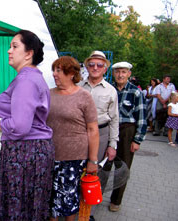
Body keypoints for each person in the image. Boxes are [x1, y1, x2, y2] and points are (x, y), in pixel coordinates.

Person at [0, 30, 55, 220]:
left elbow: (19, 126)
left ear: (28, 53)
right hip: (33, 152)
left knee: (19, 207)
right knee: (30, 207)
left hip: (24, 154)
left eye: (14, 46)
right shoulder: (33, 77)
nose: (9, 51)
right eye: (10, 46)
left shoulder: (26, 80)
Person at [47, 56, 99, 221]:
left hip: (73, 158)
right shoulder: (47, 94)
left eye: (59, 70)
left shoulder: (84, 96)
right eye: (54, 70)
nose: (55, 74)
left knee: (69, 200)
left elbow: (92, 129)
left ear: (71, 74)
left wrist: (93, 160)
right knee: (50, 199)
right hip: (48, 156)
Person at [78, 50, 119, 221]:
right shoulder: (78, 86)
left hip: (101, 133)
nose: (95, 67)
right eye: (92, 64)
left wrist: (112, 144)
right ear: (87, 66)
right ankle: (75, 208)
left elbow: (115, 119)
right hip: (79, 133)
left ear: (105, 69)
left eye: (99, 65)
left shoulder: (111, 91)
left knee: (94, 172)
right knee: (76, 169)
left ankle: (89, 214)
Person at [109, 61, 147, 212]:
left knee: (122, 167)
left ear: (129, 74)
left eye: (123, 72)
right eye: (117, 72)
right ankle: (95, 195)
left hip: (127, 131)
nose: (120, 75)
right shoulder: (109, 89)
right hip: (109, 129)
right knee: (103, 164)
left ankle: (115, 201)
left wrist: (137, 139)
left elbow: (142, 118)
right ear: (113, 73)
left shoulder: (135, 92)